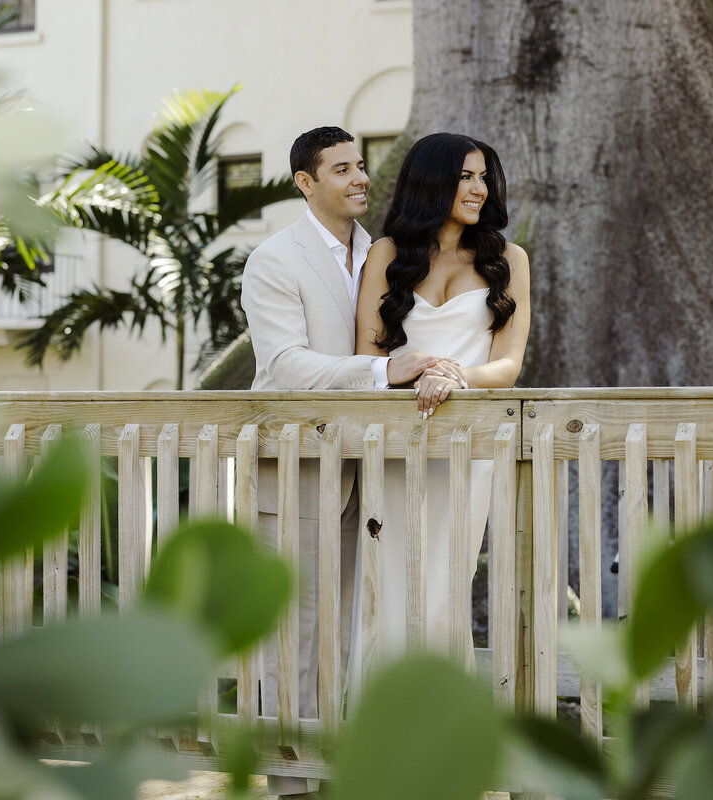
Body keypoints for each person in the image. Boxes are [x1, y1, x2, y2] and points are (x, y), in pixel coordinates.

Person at [240, 126, 462, 800]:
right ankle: (289, 785)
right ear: (306, 183)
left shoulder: (387, 254)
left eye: (362, 165)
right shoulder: (274, 259)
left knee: (347, 632)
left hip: (370, 474)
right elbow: (283, 366)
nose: (361, 178)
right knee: (295, 636)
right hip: (298, 468)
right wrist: (380, 370)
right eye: (342, 169)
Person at [351, 132, 531, 675]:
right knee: (384, 587)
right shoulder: (387, 254)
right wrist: (416, 372)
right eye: (465, 177)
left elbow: (508, 365)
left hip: (465, 447)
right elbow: (367, 353)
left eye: (483, 177)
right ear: (432, 181)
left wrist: (455, 374)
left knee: (444, 587)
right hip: (394, 442)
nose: (479, 189)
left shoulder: (509, 259)